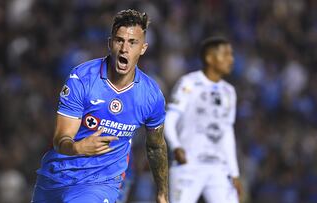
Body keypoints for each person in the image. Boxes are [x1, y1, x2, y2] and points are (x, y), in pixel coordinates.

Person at [32, 9, 169, 203]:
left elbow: (156, 147)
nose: (124, 49)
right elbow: (61, 138)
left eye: (132, 42)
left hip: (100, 184)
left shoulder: (151, 96)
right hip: (55, 177)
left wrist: (162, 192)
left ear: (143, 48)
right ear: (110, 43)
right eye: (119, 40)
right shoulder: (82, 78)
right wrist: (78, 148)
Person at [164, 37, 243, 203]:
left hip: (218, 166)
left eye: (231, 55)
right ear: (209, 58)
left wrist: (234, 172)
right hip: (189, 164)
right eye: (226, 54)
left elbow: (227, 132)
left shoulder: (229, 91)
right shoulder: (189, 83)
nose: (231, 59)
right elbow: (170, 119)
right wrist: (176, 147)